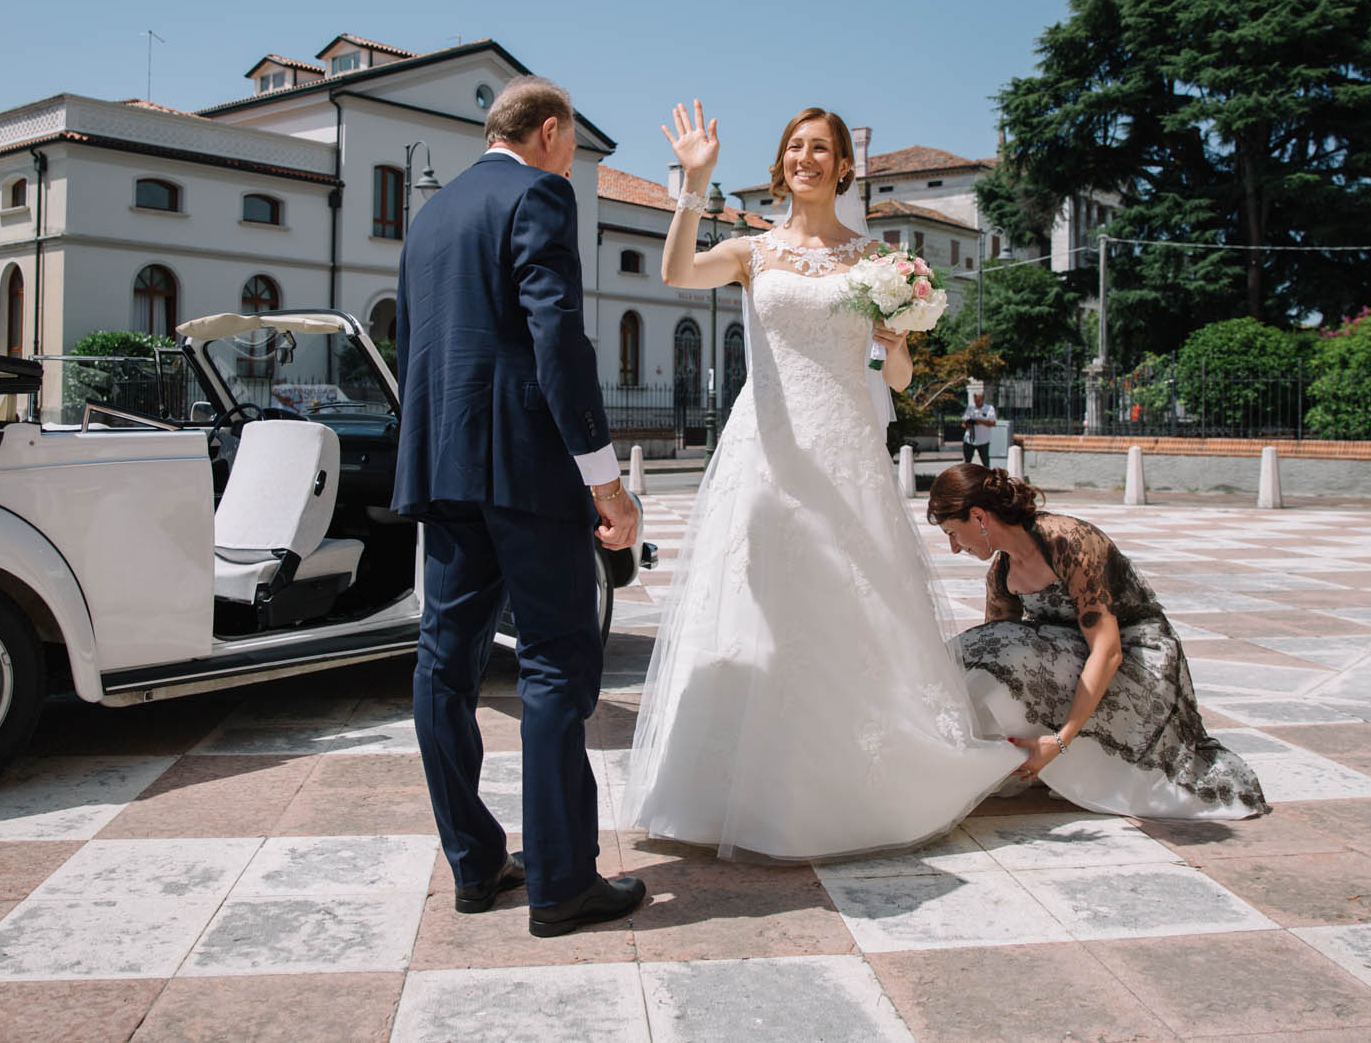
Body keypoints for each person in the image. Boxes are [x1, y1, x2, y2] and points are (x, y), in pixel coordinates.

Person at [624, 102, 1022, 861]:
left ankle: (850, 786)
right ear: (782, 162)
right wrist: (695, 185)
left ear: (844, 166)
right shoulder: (752, 251)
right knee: (757, 603)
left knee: (850, 605)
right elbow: (677, 272)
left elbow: (896, 379)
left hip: (844, 445)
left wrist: (895, 342)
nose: (804, 158)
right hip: (765, 445)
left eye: (819, 148)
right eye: (794, 147)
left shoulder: (876, 262)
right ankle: (734, 788)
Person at [393, 75, 648, 937]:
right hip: (527, 471)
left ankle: (474, 864)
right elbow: (558, 338)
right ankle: (562, 881)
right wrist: (604, 480)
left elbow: (418, 344)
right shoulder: (538, 193)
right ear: (547, 132)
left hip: (444, 466)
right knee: (554, 661)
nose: (571, 164)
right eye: (572, 147)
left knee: (444, 663)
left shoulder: (431, 214)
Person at [928, 464, 1268, 819]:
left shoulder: (1068, 541)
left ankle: (1065, 754)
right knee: (987, 652)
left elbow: (1108, 651)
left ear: (979, 516)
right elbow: (992, 655)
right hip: (1077, 658)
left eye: (953, 533)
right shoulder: (1001, 575)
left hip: (1135, 658)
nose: (954, 548)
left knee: (1004, 645)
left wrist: (1060, 741)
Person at [960, 390, 996, 467]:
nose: (976, 402)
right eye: (975, 400)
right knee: (967, 463)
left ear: (982, 399)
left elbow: (993, 423)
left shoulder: (989, 408)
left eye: (978, 400)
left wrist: (980, 422)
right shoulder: (970, 408)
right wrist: (969, 424)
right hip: (969, 440)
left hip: (983, 440)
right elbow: (963, 424)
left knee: (986, 463)